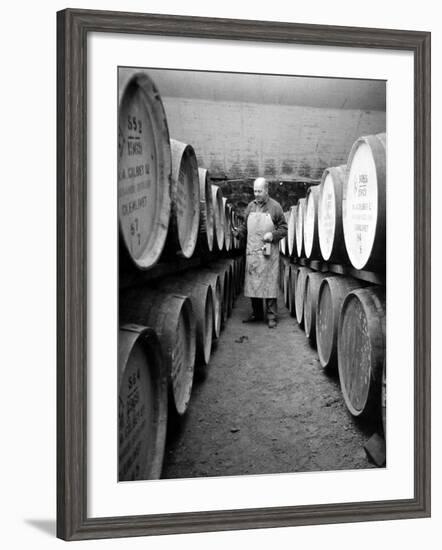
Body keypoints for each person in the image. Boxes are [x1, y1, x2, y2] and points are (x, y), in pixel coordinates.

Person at [233, 177, 287, 328]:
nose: (256, 194)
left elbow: (284, 229)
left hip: (268, 252)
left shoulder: (275, 207)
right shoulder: (250, 206)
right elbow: (245, 227)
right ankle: (257, 314)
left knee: (269, 284)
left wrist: (273, 235)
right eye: (254, 191)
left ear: (266, 190)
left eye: (259, 191)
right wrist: (239, 233)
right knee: (254, 284)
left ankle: (271, 316)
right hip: (253, 252)